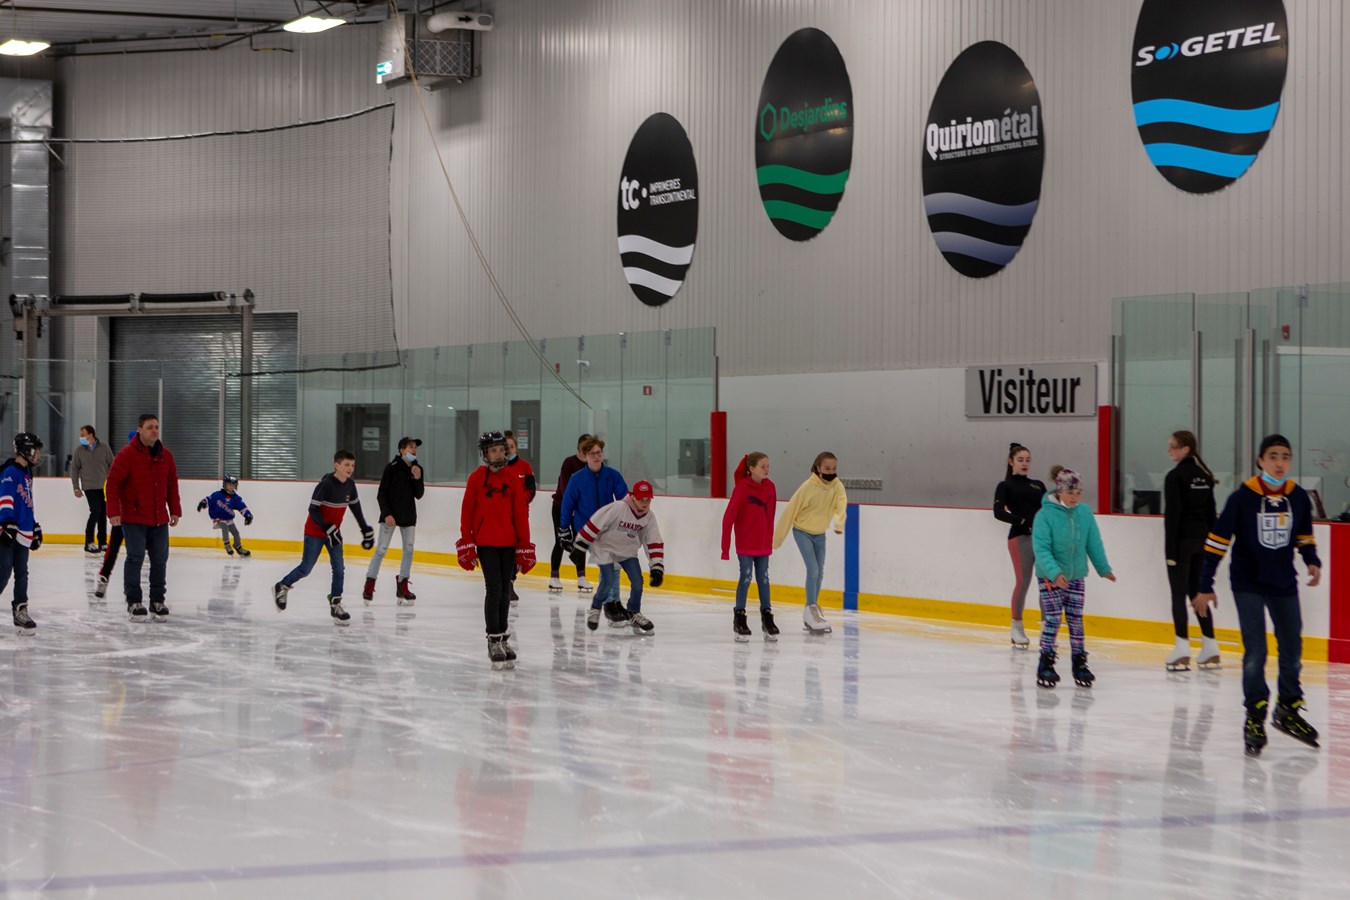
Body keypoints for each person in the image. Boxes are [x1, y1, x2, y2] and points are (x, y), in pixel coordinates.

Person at [1194, 434, 1321, 756]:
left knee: (1292, 648)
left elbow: (1304, 536)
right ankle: (1255, 714)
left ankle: (1288, 709)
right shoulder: (1242, 498)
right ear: (1260, 461)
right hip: (1248, 582)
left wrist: (1312, 561)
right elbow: (1216, 543)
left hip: (1284, 583)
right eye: (1273, 456)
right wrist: (1205, 585)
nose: (1280, 463)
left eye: (1285, 457)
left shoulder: (1298, 497)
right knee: (1256, 651)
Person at [1031, 466, 1116, 689]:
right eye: (1070, 492)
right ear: (1059, 491)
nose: (1074, 497)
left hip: (1076, 577)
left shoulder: (1084, 513)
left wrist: (1103, 568)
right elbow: (1041, 549)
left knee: (1076, 620)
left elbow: (1093, 542)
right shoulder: (1044, 515)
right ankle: (1046, 662)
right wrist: (1055, 573)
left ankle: (1079, 663)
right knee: (1052, 619)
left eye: (1078, 493)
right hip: (1050, 579)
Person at [458, 431, 535, 669]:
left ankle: (502, 636)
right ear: (485, 454)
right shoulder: (475, 479)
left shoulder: (512, 478)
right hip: (486, 543)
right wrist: (467, 541)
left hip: (508, 543)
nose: (499, 454)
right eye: (494, 450)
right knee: (493, 589)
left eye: (502, 449)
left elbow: (520, 514)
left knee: (504, 591)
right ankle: (493, 638)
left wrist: (524, 545)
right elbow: (467, 512)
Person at [272, 449, 375, 626]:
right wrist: (328, 528)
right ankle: (282, 586)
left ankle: (335, 604)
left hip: (333, 533)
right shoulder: (326, 485)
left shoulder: (350, 485)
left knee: (339, 568)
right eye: (346, 465)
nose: (350, 468)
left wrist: (365, 529)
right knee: (306, 568)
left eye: (352, 465)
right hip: (315, 532)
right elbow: (313, 510)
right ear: (336, 465)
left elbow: (356, 508)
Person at [106, 414, 182, 622]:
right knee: (135, 557)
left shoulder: (166, 456)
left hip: (159, 519)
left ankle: (157, 601)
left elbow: (172, 485)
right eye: (150, 427)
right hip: (134, 518)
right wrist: (114, 512)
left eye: (156, 427)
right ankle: (134, 602)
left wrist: (175, 510)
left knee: (160, 560)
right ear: (139, 429)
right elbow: (112, 484)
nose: (154, 431)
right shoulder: (126, 455)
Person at [573, 480, 665, 634]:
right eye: (641, 499)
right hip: (606, 550)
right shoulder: (618, 508)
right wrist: (580, 546)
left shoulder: (649, 517)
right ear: (633, 497)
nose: (645, 503)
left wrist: (657, 566)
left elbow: (653, 540)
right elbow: (596, 522)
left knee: (637, 581)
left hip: (627, 552)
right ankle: (596, 607)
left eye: (648, 499)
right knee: (608, 581)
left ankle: (634, 613)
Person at [772, 451, 846, 634]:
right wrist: (777, 539)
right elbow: (790, 510)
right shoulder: (807, 487)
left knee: (819, 572)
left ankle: (811, 610)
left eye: (834, 468)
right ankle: (810, 609)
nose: (831, 471)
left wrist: (839, 523)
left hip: (820, 534)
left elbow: (841, 503)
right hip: (802, 532)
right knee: (813, 569)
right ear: (818, 468)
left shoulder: (837, 486)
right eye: (827, 468)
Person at [1163, 430, 1219, 671]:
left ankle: (1182, 647)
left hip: (1182, 545)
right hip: (1203, 543)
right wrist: (1212, 548)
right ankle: (1210, 645)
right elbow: (1212, 515)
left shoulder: (1175, 477)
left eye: (1173, 446)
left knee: (1178, 594)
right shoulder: (1204, 476)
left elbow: (1173, 517)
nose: (1169, 450)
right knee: (1198, 593)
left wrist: (1170, 553)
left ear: (1185, 449)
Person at [993, 443, 1047, 648]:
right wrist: (1021, 521)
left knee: (1047, 582)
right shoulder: (1005, 486)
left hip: (1041, 539)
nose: (1025, 463)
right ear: (1011, 462)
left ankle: (1047, 628)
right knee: (1023, 582)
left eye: (1028, 460)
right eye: (1020, 460)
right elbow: (998, 512)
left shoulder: (1038, 485)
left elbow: (1048, 509)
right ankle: (1016, 627)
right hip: (1020, 539)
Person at [721, 452, 778, 643]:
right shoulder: (742, 489)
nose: (767, 469)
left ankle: (767, 617)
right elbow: (728, 518)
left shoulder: (770, 487)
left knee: (764, 578)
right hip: (746, 543)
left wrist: (769, 539)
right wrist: (725, 548)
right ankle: (739, 617)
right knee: (745, 578)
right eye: (763, 466)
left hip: (763, 543)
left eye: (768, 465)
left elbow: (771, 515)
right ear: (751, 468)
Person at [559, 436, 628, 593]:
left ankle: (612, 601)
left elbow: (624, 501)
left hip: (608, 528)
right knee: (607, 564)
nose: (596, 457)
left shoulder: (613, 475)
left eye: (599, 453)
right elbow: (567, 505)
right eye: (592, 454)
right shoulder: (577, 479)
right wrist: (564, 529)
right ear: (585, 456)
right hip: (587, 530)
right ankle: (609, 601)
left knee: (614, 565)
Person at [363, 437, 425, 606]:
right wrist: (387, 514)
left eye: (415, 448)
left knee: (409, 550)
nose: (414, 450)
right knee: (381, 550)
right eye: (410, 447)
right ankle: (370, 583)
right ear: (402, 450)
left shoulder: (417, 469)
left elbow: (419, 495)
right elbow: (381, 493)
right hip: (389, 516)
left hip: (408, 516)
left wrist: (417, 478)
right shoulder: (391, 468)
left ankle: (403, 585)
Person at [1, 432, 45, 635]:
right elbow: (6, 498)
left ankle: (21, 610)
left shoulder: (27, 472)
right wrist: (7, 523)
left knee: (22, 573)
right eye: (36, 451)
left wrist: (34, 526)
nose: (38, 455)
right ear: (26, 451)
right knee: (3, 572)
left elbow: (27, 502)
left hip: (24, 532)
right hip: (9, 531)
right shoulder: (10, 471)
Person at [92, 429, 138, 603]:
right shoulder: (123, 460)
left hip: (139, 517)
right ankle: (104, 578)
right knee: (113, 549)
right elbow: (110, 486)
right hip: (123, 515)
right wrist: (115, 511)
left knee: (137, 553)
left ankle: (133, 587)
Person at [548, 435, 592, 593]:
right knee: (561, 539)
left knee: (580, 540)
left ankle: (581, 577)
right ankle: (554, 576)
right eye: (585, 445)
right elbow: (566, 488)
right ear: (579, 446)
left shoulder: (592, 465)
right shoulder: (569, 463)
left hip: (580, 510)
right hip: (561, 507)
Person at [504, 430, 536, 604]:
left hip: (520, 516)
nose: (508, 449)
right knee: (506, 549)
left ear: (516, 448)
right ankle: (505, 583)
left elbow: (531, 490)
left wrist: (520, 503)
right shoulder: (498, 467)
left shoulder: (525, 467)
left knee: (516, 550)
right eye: (505, 447)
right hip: (502, 517)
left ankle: (510, 581)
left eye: (511, 446)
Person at [71, 424, 114, 553]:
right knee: (96, 511)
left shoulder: (104, 447)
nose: (81, 437)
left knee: (102, 514)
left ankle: (102, 542)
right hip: (89, 487)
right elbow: (75, 469)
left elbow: (112, 464)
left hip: (104, 486)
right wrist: (76, 487)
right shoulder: (79, 451)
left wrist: (114, 483)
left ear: (91, 435)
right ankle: (89, 541)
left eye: (83, 435)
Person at [197, 475, 254, 557]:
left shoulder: (236, 498)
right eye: (229, 484)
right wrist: (203, 503)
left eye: (233, 485)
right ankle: (227, 544)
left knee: (236, 533)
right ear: (225, 485)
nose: (231, 486)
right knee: (225, 527)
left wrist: (248, 515)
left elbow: (242, 507)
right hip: (218, 517)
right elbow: (208, 499)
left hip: (228, 518)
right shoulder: (217, 495)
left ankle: (238, 547)